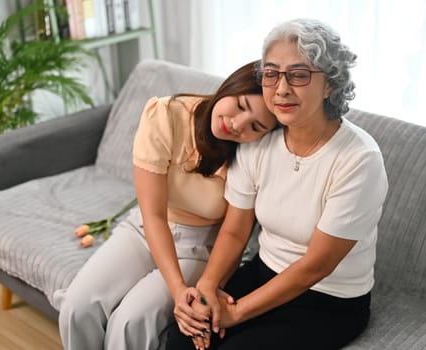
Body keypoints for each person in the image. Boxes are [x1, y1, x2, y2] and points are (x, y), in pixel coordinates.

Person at [167, 18, 389, 350]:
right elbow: (235, 231)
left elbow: (317, 266)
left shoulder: (359, 160)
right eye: (271, 74)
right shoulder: (259, 140)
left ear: (329, 84)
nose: (281, 89)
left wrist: (237, 312)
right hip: (263, 271)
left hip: (328, 300)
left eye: (299, 75)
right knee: (181, 335)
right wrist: (208, 289)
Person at [55, 60, 278, 350]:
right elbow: (153, 215)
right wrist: (177, 289)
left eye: (255, 126)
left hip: (200, 249)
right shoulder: (167, 114)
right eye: (240, 105)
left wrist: (188, 293)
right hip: (146, 229)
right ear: (231, 85)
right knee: (77, 306)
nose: (236, 124)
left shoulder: (252, 154)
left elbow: (236, 234)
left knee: (131, 321)